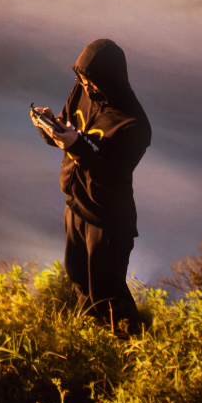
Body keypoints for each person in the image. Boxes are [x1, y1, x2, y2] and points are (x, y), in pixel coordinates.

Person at [31, 38, 149, 329]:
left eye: (90, 80)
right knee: (79, 279)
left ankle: (130, 344)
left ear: (109, 78)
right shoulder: (82, 91)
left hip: (107, 220)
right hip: (76, 205)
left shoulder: (133, 125)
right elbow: (69, 129)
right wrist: (49, 128)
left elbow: (113, 177)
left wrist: (78, 147)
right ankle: (91, 339)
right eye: (80, 78)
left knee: (107, 293)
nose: (84, 86)